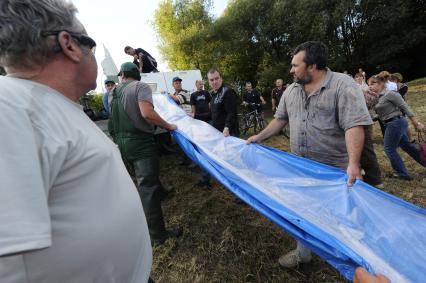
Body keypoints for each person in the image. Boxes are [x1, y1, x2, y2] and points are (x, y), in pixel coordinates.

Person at [0, 1, 153, 282]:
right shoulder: (10, 108)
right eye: (91, 45)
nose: (92, 54)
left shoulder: (44, 104)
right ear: (69, 45)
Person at [246, 41, 372, 268]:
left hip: (335, 170)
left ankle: (358, 263)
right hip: (300, 167)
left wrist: (354, 164)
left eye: (295, 65)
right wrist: (259, 137)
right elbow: (280, 119)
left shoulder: (343, 86)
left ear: (312, 66)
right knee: (302, 211)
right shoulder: (291, 90)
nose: (291, 70)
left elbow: (355, 126)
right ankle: (303, 252)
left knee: (344, 217)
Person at [109, 62, 181, 245]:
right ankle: (158, 235)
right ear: (136, 73)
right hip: (140, 144)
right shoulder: (140, 86)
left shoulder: (113, 93)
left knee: (143, 180)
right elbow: (147, 113)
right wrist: (168, 125)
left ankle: (162, 192)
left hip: (122, 146)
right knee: (147, 190)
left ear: (122, 75)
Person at [368, 74, 425, 180]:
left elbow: (404, 106)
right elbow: (378, 115)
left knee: (389, 148)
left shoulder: (390, 93)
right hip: (392, 123)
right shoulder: (378, 97)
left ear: (381, 83)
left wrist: (415, 122)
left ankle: (402, 174)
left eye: (373, 83)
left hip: (396, 123)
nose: (370, 86)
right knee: (407, 146)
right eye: (369, 84)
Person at [190, 80, 213, 188]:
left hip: (209, 119)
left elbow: (210, 104)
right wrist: (193, 117)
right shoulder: (193, 95)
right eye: (199, 84)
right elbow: (193, 108)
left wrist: (212, 113)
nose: (201, 85)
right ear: (196, 85)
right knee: (203, 143)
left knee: (210, 140)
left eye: (202, 84)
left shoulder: (206, 93)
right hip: (199, 120)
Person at [207, 68, 240, 137]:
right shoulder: (212, 94)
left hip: (229, 134)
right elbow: (212, 114)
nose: (214, 82)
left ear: (221, 78)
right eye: (211, 80)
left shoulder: (228, 92)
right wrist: (195, 116)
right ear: (209, 82)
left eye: (216, 78)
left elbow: (231, 112)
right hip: (218, 133)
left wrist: (227, 127)